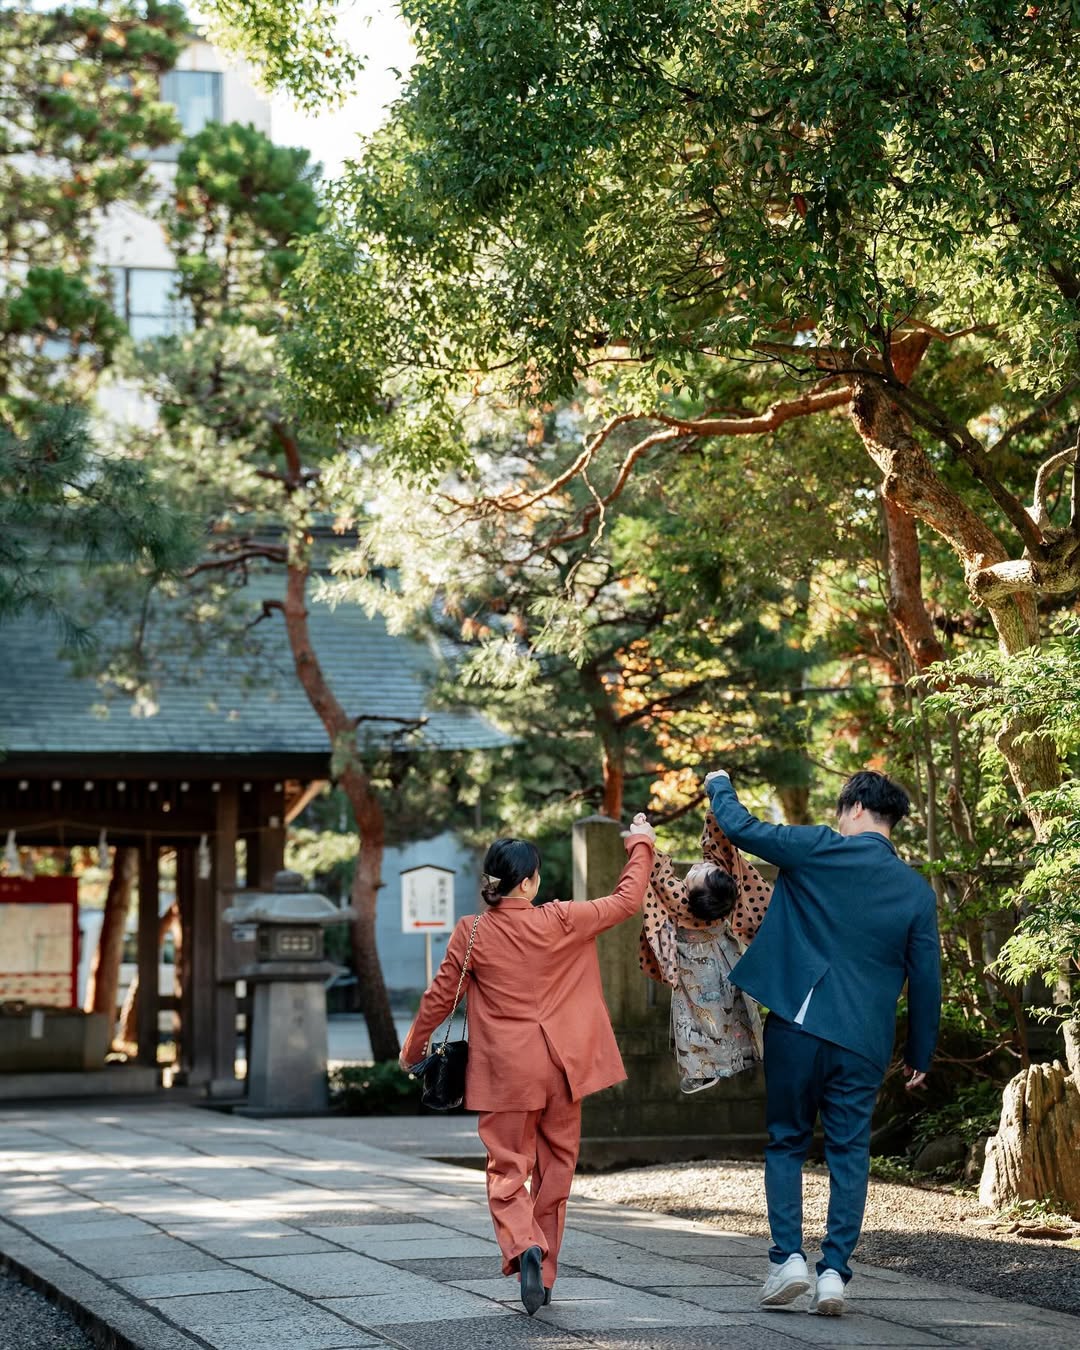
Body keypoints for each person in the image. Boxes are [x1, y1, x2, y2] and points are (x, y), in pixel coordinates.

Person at [704, 768, 941, 1318]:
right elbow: (927, 979)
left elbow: (740, 826)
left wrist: (719, 782)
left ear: (855, 808)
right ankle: (834, 1273)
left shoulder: (817, 847)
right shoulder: (915, 890)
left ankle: (788, 1259)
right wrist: (920, 1054)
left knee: (787, 1140)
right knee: (849, 1152)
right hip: (863, 1039)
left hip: (797, 1022)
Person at [399, 812, 657, 1316]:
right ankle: (549, 1269)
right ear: (530, 881)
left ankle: (525, 1245)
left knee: (506, 1169)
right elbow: (628, 900)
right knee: (557, 1169)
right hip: (564, 1066)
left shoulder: (472, 931)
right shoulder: (561, 919)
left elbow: (439, 998)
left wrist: (414, 1050)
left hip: (506, 1072)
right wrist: (640, 844)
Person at [639, 811, 773, 1090]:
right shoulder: (725, 893)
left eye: (702, 872)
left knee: (694, 1017)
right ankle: (739, 1055)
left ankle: (701, 1071)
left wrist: (644, 835)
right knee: (729, 1009)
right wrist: (717, 809)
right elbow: (720, 849)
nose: (700, 866)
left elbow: (659, 874)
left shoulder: (682, 902)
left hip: (694, 968)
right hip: (726, 958)